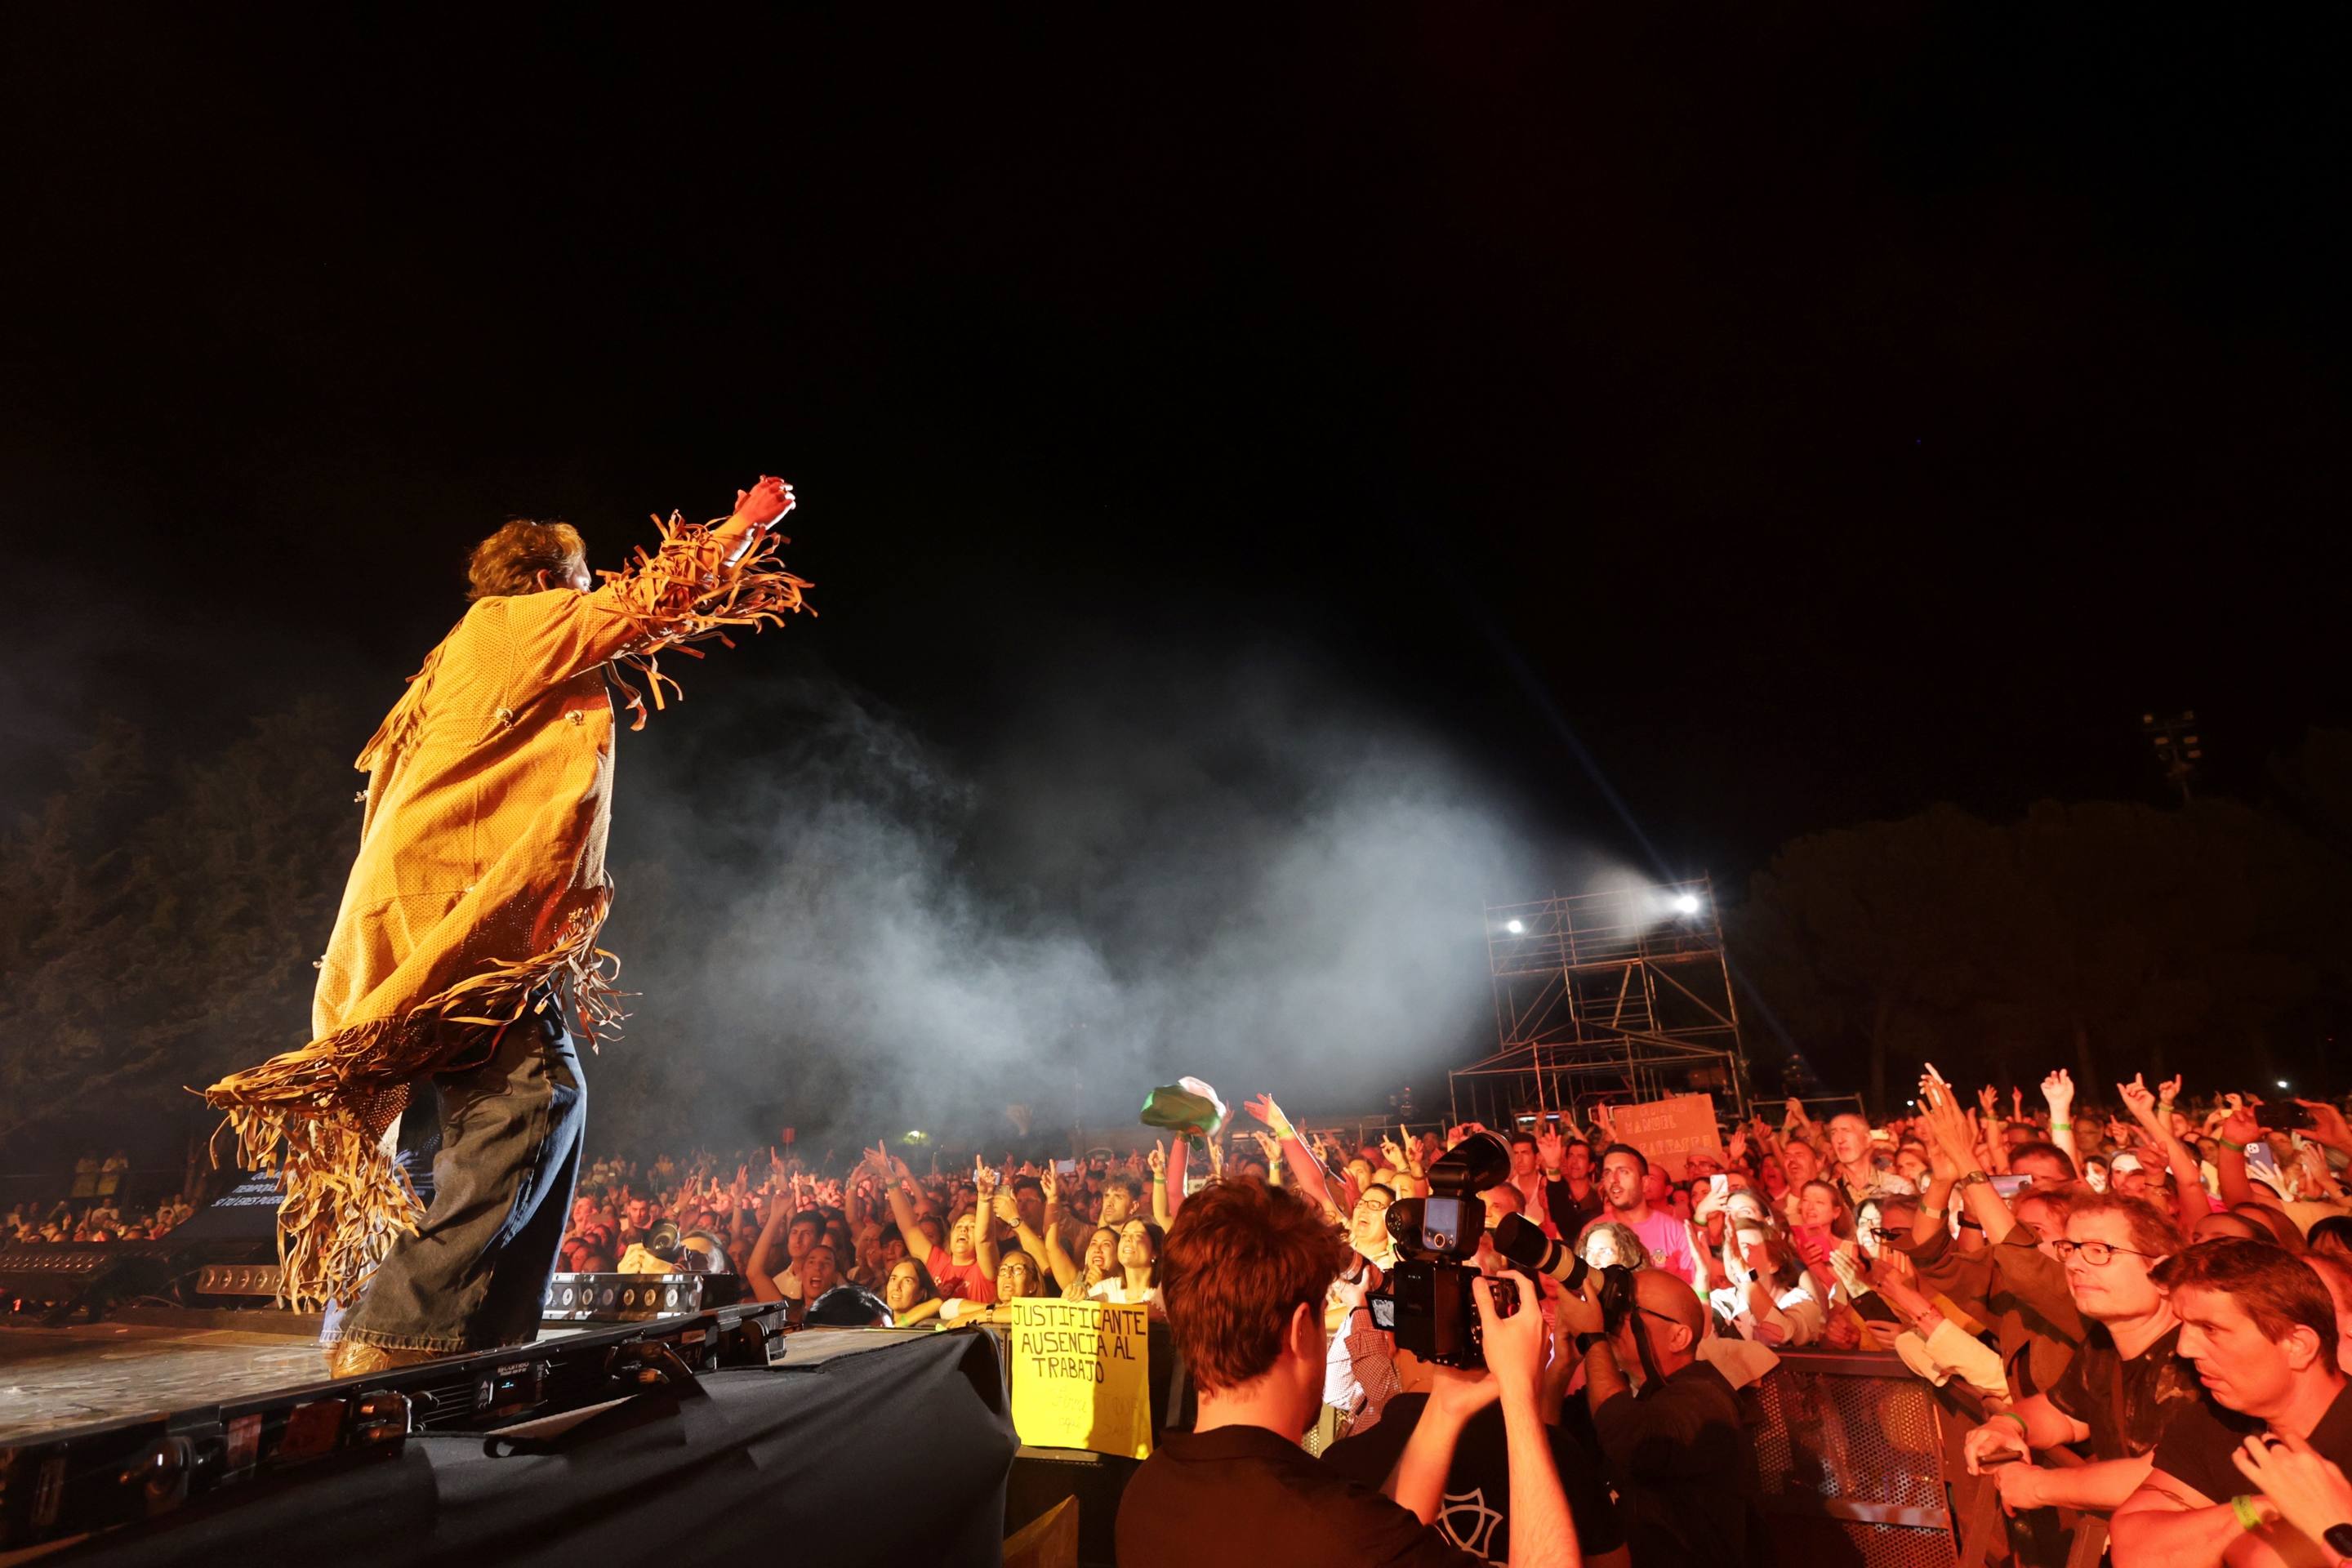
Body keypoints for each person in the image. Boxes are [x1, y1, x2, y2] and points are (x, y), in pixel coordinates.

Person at [205, 475, 808, 1376]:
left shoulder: (454, 654)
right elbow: (652, 602)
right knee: (535, 1097)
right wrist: (742, 527)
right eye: (580, 577)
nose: (589, 590)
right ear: (545, 580)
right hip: (465, 922)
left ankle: (476, 1336)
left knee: (519, 1101)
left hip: (416, 910)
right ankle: (402, 1331)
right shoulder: (519, 623)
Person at [1116, 1181, 1579, 1567]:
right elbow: (1364, 1543)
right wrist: (1520, 1395)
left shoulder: (1145, 1493)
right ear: (1301, 1330)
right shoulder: (1336, 1531)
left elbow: (1383, 1530)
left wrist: (1445, 1407)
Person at [2112, 1240, 2352, 1566]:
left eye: (2210, 1328)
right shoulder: (2217, 1418)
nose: (2185, 1348)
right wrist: (2266, 1507)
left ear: (2298, 1345)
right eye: (2185, 1324)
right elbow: (2135, 1549)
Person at [1958, 1193, 2198, 1517]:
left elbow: (2173, 1476)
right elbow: (2065, 1413)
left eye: (2100, 1251)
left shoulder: (2197, 1353)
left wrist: (2037, 1486)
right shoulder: (2103, 1342)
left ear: (2164, 1271)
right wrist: (2007, 1425)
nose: (2072, 1264)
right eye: (2069, 1249)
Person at [1556, 1265, 1765, 1566]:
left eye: (1629, 1308)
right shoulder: (1633, 1393)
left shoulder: (1705, 1399)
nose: (1614, 1318)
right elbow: (1549, 1436)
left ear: (1678, 1337)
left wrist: (1593, 1338)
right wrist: (1562, 1366)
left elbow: (1628, 1436)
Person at [1581, 1145, 1696, 1286]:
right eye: (1608, 1173)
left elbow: (1693, 1290)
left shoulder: (1676, 1231)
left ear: (1645, 1183)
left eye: (1623, 1172)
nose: (1614, 1179)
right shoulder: (1593, 1232)